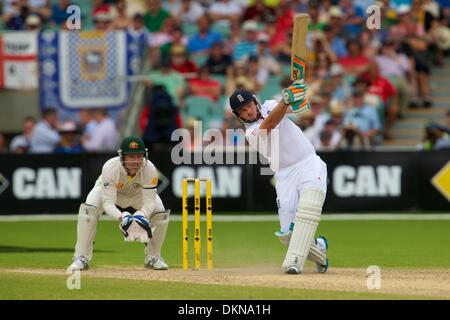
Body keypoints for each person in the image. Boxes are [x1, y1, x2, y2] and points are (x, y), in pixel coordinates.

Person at [228, 84, 329, 275]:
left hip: (308, 162)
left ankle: (294, 263)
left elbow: (303, 108)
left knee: (309, 205)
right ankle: (320, 251)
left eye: (248, 105)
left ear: (255, 101)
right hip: (284, 175)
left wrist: (298, 94)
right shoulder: (250, 134)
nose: (248, 111)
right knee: (288, 236)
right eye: (242, 110)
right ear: (237, 116)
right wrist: (285, 101)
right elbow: (269, 125)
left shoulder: (271, 105)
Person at [69, 136, 170, 271]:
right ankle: (81, 258)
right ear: (122, 156)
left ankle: (153, 257)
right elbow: (108, 203)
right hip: (110, 193)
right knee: (89, 210)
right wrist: (122, 217)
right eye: (131, 157)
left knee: (160, 212)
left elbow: (150, 202)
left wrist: (141, 214)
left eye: (139, 156)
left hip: (136, 193)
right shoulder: (110, 167)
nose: (136, 161)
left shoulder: (149, 168)